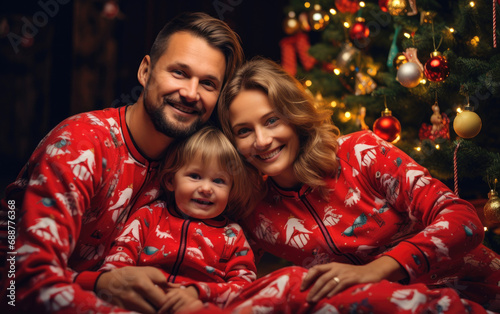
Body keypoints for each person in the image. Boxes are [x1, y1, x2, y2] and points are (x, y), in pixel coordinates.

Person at [0, 12, 244, 314]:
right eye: (179, 73)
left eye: (207, 83)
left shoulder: (191, 164)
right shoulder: (81, 145)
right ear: (145, 71)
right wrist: (101, 284)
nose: (191, 93)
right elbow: (23, 283)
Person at [213, 58, 500, 312]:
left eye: (272, 120)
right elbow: (227, 276)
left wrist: (377, 270)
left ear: (294, 117)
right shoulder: (254, 210)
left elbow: (463, 220)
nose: (261, 141)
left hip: (479, 289)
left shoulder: (361, 153)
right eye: (244, 131)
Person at [99, 126, 257, 313]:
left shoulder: (233, 235)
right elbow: (119, 258)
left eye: (219, 181)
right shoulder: (149, 215)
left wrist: (198, 292)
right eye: (195, 176)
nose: (206, 188)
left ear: (231, 190)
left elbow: (244, 288)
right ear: (171, 181)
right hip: (143, 302)